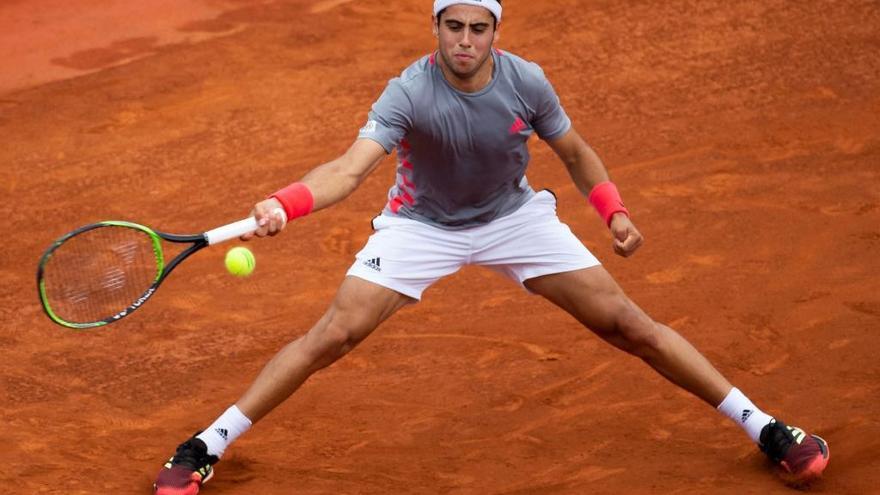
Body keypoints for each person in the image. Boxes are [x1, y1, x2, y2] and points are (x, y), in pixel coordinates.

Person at [153, 1, 829, 493]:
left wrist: (612, 211)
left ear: (495, 33)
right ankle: (205, 445)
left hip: (513, 218)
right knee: (333, 334)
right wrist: (286, 202)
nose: (466, 40)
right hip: (420, 226)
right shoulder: (409, 90)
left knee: (631, 325)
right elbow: (348, 169)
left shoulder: (525, 80)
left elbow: (575, 150)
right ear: (437, 29)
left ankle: (765, 426)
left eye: (479, 28)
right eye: (455, 27)